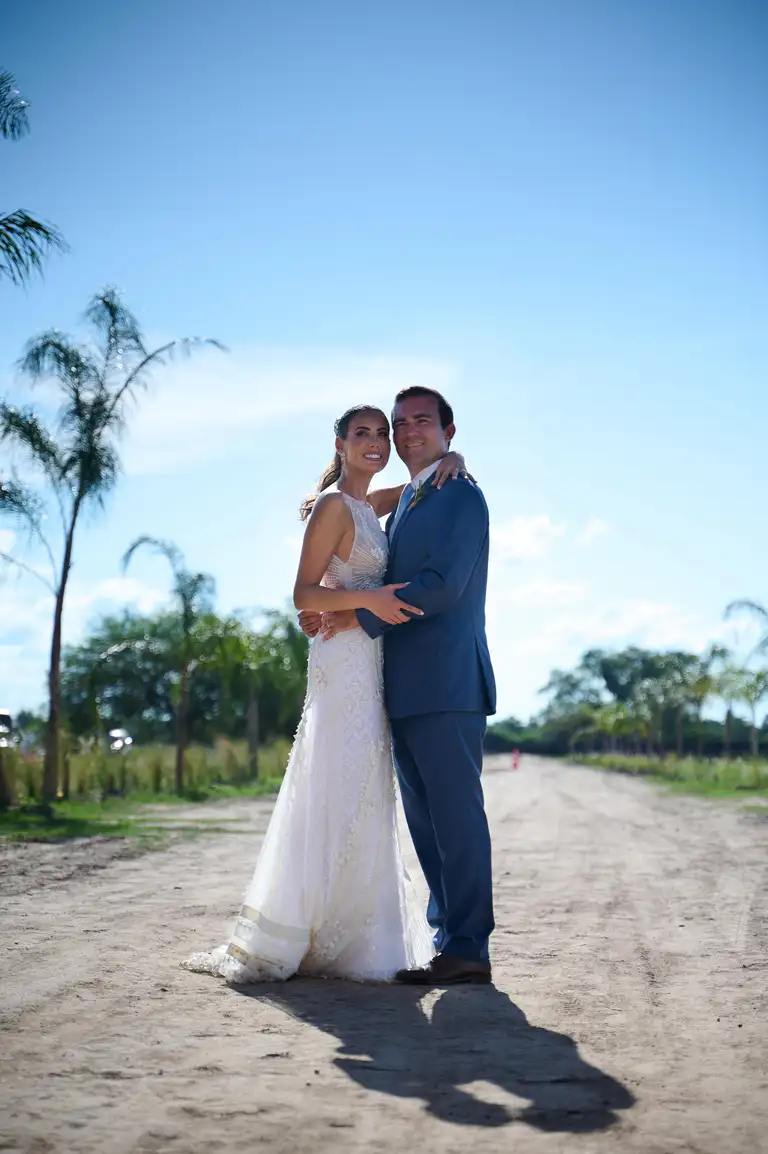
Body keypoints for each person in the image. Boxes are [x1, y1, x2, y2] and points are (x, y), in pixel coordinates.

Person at [183, 403, 469, 983]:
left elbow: (416, 486)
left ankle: (352, 934)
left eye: (382, 433)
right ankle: (300, 928)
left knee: (363, 783)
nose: (376, 441)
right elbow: (303, 595)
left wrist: (455, 457)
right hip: (342, 659)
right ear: (339, 444)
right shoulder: (334, 505)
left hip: (371, 657)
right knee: (336, 777)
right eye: (362, 433)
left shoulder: (368, 503)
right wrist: (370, 599)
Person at [302, 386, 497, 985]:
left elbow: (441, 586)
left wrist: (355, 617)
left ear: (448, 431)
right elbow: (354, 513)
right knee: (427, 827)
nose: (408, 432)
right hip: (398, 688)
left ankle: (469, 947)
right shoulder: (409, 497)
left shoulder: (460, 495)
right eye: (399, 423)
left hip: (447, 684)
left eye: (422, 422)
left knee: (456, 821)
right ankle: (448, 943)